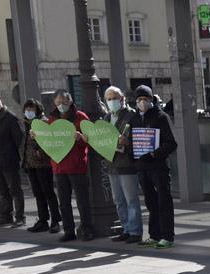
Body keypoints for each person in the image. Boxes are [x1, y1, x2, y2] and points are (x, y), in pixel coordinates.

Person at [44, 89, 93, 242]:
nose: (61, 105)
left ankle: (86, 229)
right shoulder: (52, 119)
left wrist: (81, 138)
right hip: (59, 167)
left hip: (76, 165)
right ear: (54, 103)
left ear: (70, 101)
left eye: (64, 102)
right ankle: (69, 230)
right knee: (64, 203)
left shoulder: (80, 117)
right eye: (58, 102)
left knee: (82, 201)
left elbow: (92, 138)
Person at [134, 85, 178, 249]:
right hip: (142, 167)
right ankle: (154, 234)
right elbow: (131, 140)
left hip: (158, 166)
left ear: (152, 99)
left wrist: (154, 154)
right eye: (139, 99)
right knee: (150, 202)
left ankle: (167, 236)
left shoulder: (161, 117)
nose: (142, 102)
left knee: (163, 201)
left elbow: (171, 144)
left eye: (145, 99)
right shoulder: (135, 118)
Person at [104, 86, 143, 244]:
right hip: (112, 164)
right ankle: (126, 229)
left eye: (115, 98)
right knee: (118, 200)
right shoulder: (106, 118)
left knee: (131, 200)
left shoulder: (131, 115)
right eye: (109, 99)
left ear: (122, 99)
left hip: (127, 163)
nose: (112, 101)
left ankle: (135, 231)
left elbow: (140, 138)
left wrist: (128, 142)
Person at [0, 93, 26, 227]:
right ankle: (6, 215)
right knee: (3, 191)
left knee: (15, 189)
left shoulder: (10, 118)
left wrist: (16, 157)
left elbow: (19, 139)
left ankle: (20, 217)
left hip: (9, 160)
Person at [21, 99, 61, 234]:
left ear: (38, 110)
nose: (28, 112)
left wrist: (40, 151)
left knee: (48, 192)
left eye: (31, 109)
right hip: (31, 164)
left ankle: (55, 221)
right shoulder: (27, 123)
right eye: (27, 109)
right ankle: (43, 220)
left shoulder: (43, 122)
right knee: (38, 193)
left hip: (43, 164)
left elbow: (48, 142)